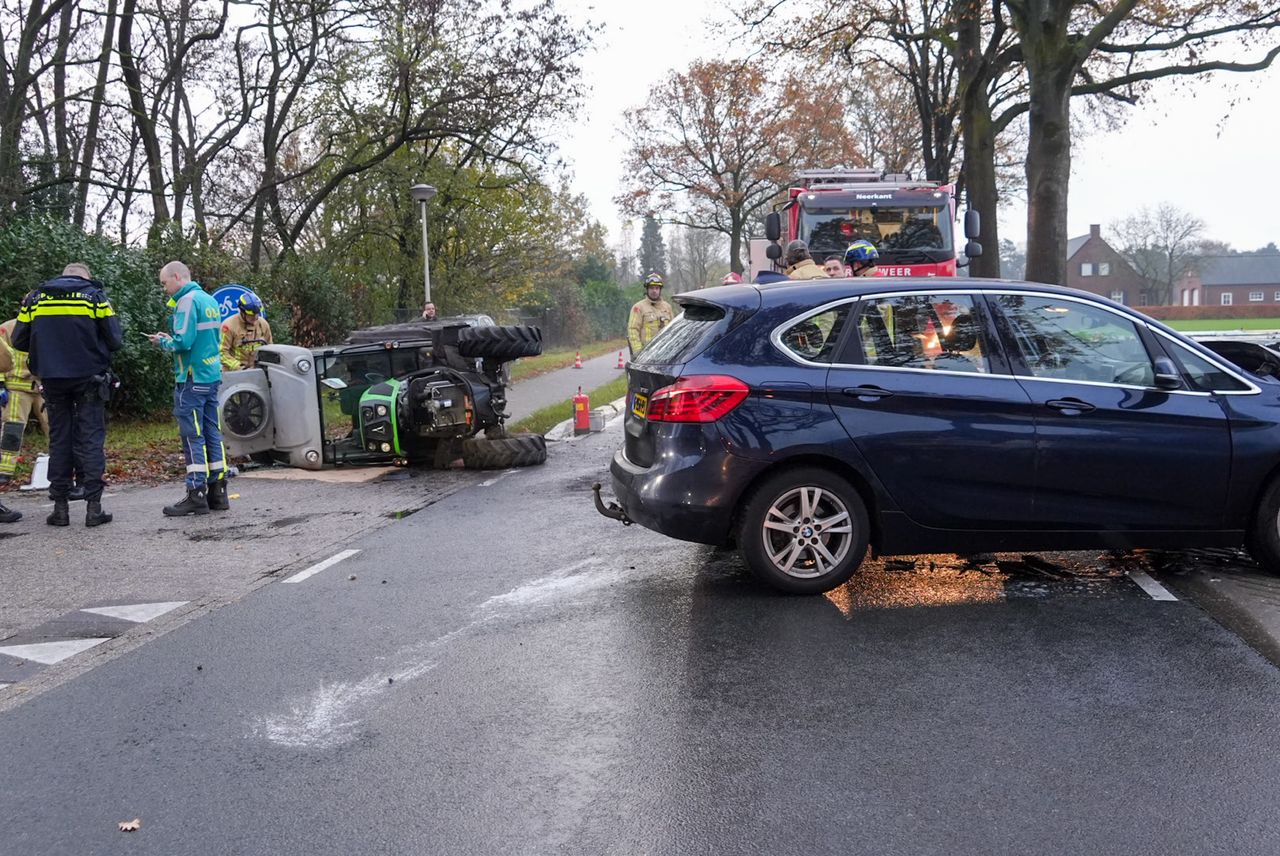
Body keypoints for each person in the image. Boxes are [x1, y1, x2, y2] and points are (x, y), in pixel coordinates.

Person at [12, 262, 122, 527]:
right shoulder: (94, 297)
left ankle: (60, 509)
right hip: (89, 378)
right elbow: (115, 340)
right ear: (85, 278)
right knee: (91, 439)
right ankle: (93, 508)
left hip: (52, 379)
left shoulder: (36, 298)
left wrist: (46, 350)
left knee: (59, 439)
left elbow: (17, 340)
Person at [149, 261, 229, 516]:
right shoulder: (209, 300)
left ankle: (196, 493)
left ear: (176, 277)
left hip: (191, 378)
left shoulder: (186, 301)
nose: (164, 289)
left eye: (165, 283)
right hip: (211, 375)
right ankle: (218, 492)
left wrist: (162, 342)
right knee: (211, 431)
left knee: (192, 435)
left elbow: (183, 342)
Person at [0, 316, 49, 485]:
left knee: (57, 428)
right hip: (17, 387)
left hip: (45, 387)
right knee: (13, 429)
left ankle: (62, 467)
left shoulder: (48, 325)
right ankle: (5, 470)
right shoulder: (8, 328)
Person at [220, 292, 273, 370]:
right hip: (234, 373)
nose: (255, 317)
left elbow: (270, 348)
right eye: (251, 314)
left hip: (257, 371)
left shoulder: (263, 324)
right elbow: (222, 353)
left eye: (257, 314)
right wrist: (239, 367)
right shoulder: (228, 326)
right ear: (242, 312)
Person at [627, 273, 674, 356]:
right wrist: (638, 352)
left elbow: (673, 330)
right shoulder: (638, 307)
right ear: (647, 289)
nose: (654, 291)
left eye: (657, 288)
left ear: (660, 290)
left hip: (666, 354)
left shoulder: (667, 307)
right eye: (651, 288)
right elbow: (633, 330)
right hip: (646, 355)